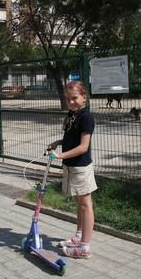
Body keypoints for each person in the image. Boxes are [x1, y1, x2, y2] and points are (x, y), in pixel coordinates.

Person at [48, 81, 96, 259]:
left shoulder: (86, 118)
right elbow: (71, 139)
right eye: (68, 99)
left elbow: (83, 147)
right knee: (79, 204)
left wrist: (60, 156)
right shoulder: (72, 115)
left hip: (80, 167)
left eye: (75, 98)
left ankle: (85, 247)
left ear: (84, 97)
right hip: (70, 165)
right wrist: (58, 143)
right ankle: (78, 236)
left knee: (86, 205)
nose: (71, 102)